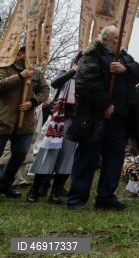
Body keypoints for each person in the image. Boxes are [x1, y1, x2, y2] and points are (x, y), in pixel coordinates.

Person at [67, 26, 139, 211]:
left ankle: (106, 197)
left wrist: (124, 69)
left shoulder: (124, 57)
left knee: (114, 158)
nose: (120, 41)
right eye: (115, 38)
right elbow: (85, 82)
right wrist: (105, 103)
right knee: (87, 157)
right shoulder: (91, 55)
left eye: (120, 37)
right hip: (95, 116)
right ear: (104, 39)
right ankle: (77, 198)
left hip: (119, 118)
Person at [27, 54, 80, 203]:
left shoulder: (89, 78)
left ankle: (56, 191)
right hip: (58, 118)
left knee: (67, 157)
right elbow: (55, 83)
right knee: (47, 154)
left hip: (76, 120)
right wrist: (73, 71)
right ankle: (35, 189)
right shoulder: (66, 72)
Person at [0, 46, 49, 198]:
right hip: (4, 118)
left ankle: (4, 184)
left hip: (25, 122)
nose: (32, 59)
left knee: (21, 153)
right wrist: (20, 76)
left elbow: (45, 90)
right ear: (20, 54)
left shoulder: (37, 73)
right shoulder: (5, 66)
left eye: (35, 56)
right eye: (29, 55)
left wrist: (33, 102)